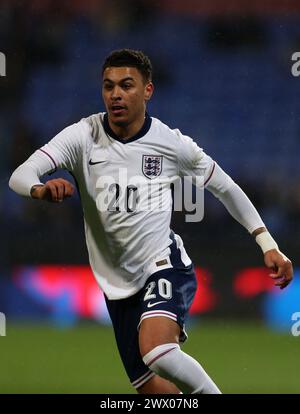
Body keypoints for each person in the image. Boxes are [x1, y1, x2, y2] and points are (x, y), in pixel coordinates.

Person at [9, 49, 293, 394]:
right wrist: (39, 189)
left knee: (159, 352)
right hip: (115, 284)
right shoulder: (82, 137)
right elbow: (20, 175)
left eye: (127, 85)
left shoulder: (171, 144)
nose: (116, 94)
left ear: (147, 91)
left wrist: (268, 244)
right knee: (150, 389)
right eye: (108, 86)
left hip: (163, 265)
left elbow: (226, 188)